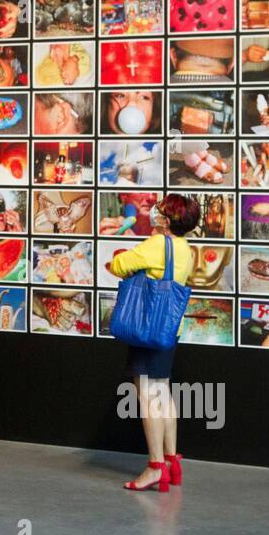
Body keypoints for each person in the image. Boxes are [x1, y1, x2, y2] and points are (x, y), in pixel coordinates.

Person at [108, 193, 200, 493]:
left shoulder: (158, 244)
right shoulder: (186, 249)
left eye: (161, 211)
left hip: (147, 328)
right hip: (169, 331)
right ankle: (172, 462)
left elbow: (121, 264)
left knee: (147, 396)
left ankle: (155, 465)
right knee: (163, 392)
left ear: (169, 219)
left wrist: (123, 261)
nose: (155, 213)